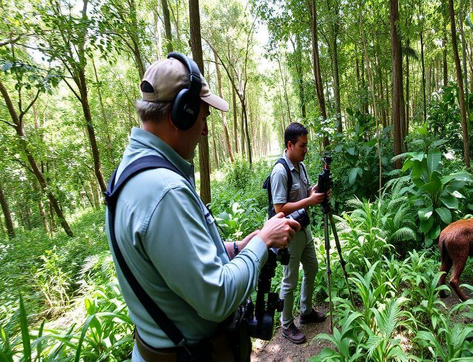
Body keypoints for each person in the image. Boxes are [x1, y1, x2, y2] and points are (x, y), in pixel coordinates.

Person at [105, 53, 300, 361]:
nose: (206, 131)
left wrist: (238, 247)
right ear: (181, 114)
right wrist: (263, 242)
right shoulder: (163, 191)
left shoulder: (131, 174)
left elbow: (176, 260)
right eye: (203, 118)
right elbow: (217, 297)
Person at [269, 122, 329, 344]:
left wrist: (314, 192)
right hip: (288, 234)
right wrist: (308, 200)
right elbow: (279, 208)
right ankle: (286, 325)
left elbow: (303, 193)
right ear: (289, 145)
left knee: (312, 267)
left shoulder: (300, 166)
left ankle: (306, 311)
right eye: (302, 145)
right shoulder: (280, 171)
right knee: (289, 280)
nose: (306, 150)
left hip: (304, 229)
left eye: (306, 145)